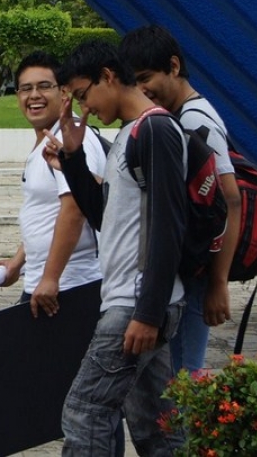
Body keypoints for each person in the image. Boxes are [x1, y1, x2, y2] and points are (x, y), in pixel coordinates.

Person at [0, 52, 109, 457]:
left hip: (72, 288)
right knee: (23, 383)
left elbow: (75, 208)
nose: (33, 96)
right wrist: (17, 262)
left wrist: (50, 278)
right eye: (25, 88)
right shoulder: (41, 146)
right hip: (45, 283)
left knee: (83, 402)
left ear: (65, 93)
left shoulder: (73, 142)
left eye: (44, 86)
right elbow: (45, 217)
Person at [47, 41, 185, 456]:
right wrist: (73, 160)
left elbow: (168, 227)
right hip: (135, 302)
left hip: (136, 304)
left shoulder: (155, 130)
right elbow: (108, 220)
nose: (84, 108)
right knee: (155, 425)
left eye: (84, 94)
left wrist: (147, 312)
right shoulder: (129, 134)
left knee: (85, 410)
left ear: (108, 76)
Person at [119, 24, 241, 373]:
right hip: (189, 271)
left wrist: (218, 284)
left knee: (184, 379)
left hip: (198, 277)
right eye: (135, 82)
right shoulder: (176, 117)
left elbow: (231, 200)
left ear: (174, 66)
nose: (142, 90)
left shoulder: (196, 120)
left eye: (147, 77)